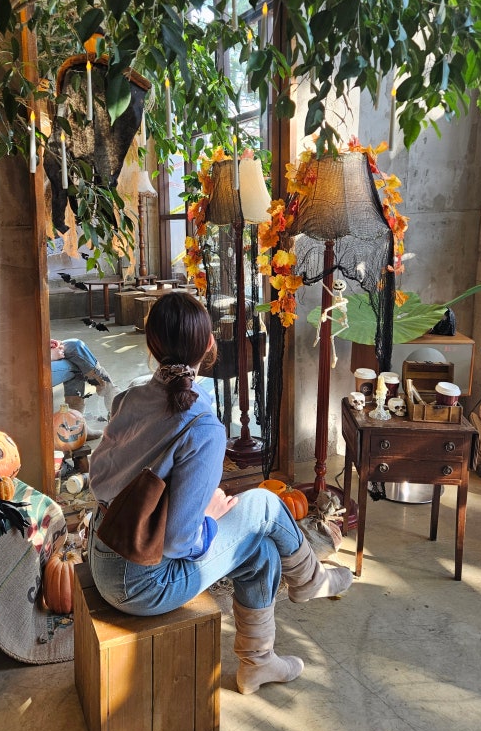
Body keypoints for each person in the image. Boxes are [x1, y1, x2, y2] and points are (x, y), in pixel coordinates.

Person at [88, 292, 353, 696]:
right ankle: (309, 579)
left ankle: (258, 663)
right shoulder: (204, 427)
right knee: (265, 503)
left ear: (150, 345)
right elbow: (178, 542)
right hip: (142, 583)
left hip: (102, 552)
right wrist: (209, 519)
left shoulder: (129, 397)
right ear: (211, 344)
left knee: (262, 550)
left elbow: (99, 479)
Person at [51, 338, 117, 434]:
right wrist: (48, 355)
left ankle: (77, 426)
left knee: (75, 345)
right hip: (30, 369)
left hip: (36, 354)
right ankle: (113, 398)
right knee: (78, 362)